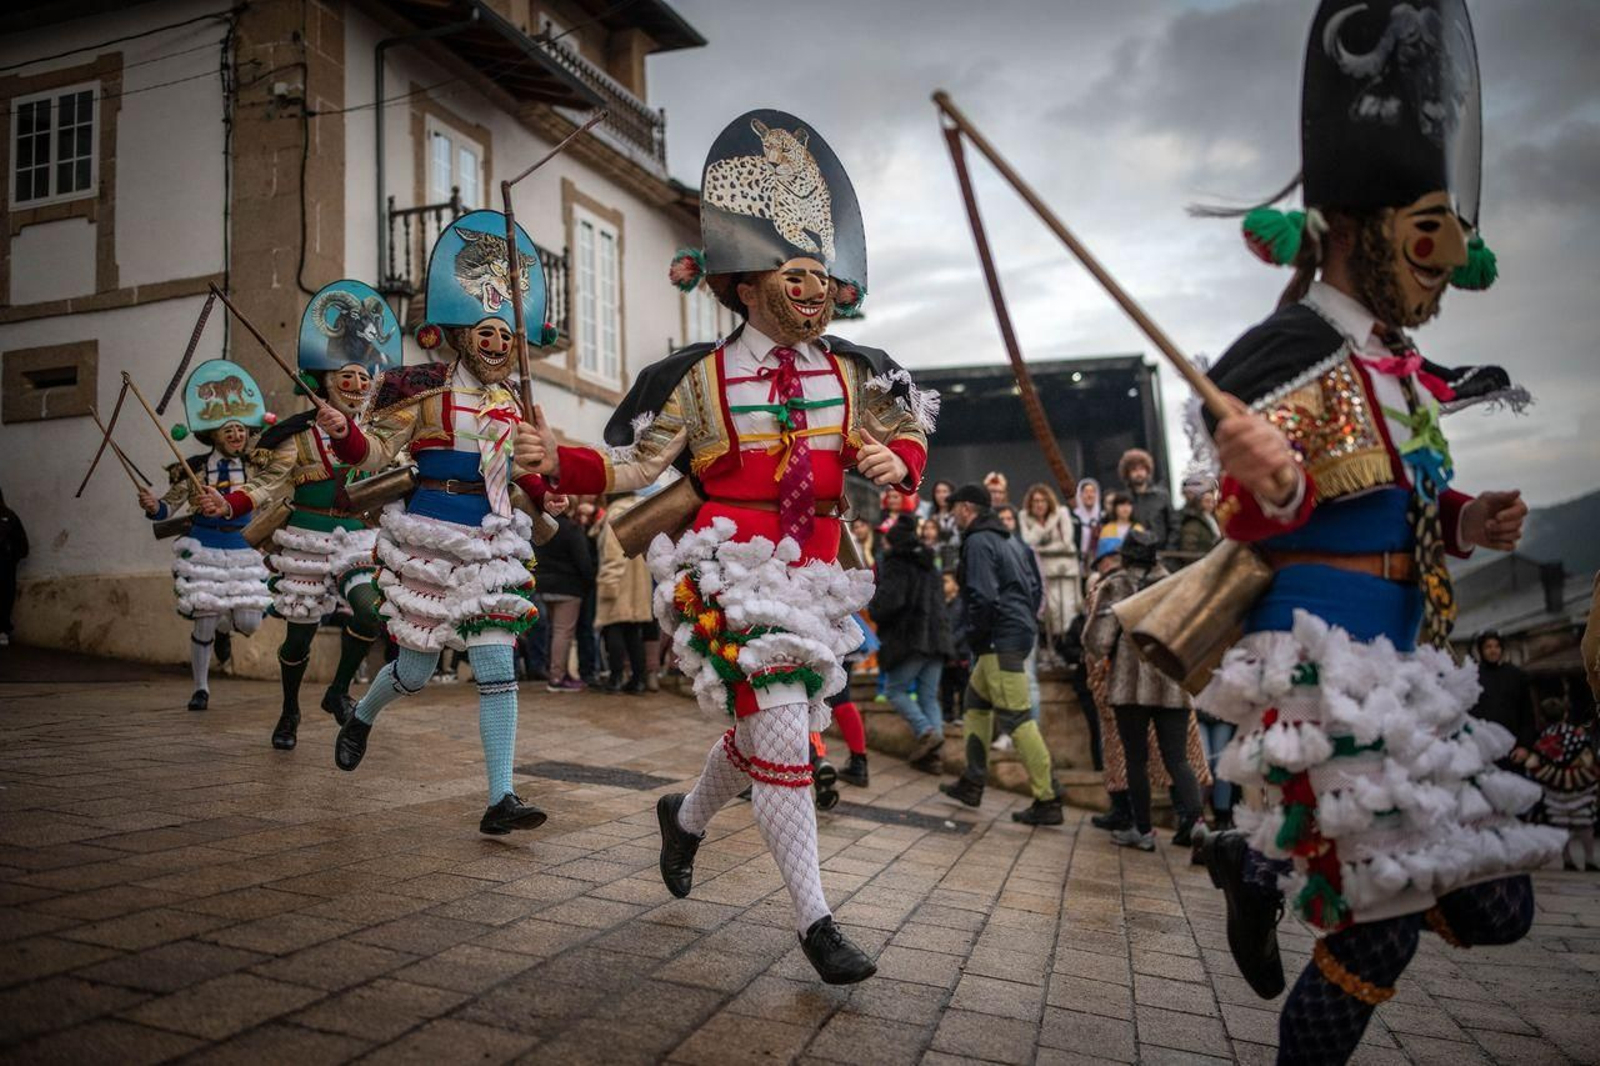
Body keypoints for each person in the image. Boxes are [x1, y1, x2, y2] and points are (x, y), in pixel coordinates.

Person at [1192, 5, 1564, 1059]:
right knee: (1385, 920)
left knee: (1498, 907)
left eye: (1450, 233)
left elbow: (1402, 499)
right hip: (1320, 653)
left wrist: (1463, 518)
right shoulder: (1290, 348)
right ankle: (1282, 880)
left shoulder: (1401, 366)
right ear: (1360, 232)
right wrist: (1259, 479)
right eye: (1425, 231)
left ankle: (1256, 862)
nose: (1447, 258)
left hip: (1411, 661)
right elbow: (1232, 504)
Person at [523, 110, 934, 984]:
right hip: (726, 564)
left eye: (823, 274)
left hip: (823, 570)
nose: (815, 290)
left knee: (770, 725)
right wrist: (556, 455)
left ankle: (686, 816)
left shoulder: (857, 373)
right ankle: (816, 922)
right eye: (796, 273)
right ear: (745, 284)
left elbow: (909, 442)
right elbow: (634, 465)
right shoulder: (698, 381)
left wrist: (889, 458)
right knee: (784, 724)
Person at [324, 208, 555, 837]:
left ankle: (501, 797)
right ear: (459, 334)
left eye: (508, 336)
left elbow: (518, 467)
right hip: (427, 532)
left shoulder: (514, 401)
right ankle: (363, 715)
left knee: (495, 662)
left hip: (490, 538)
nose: (499, 345)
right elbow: (371, 455)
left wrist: (544, 491)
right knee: (416, 671)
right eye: (487, 332)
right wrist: (346, 435)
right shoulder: (417, 387)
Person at [219, 280, 401, 750]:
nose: (358, 386)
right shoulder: (297, 438)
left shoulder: (379, 436)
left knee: (370, 610)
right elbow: (264, 485)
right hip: (305, 538)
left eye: (365, 379)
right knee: (298, 639)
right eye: (347, 378)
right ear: (323, 382)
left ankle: (339, 690)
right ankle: (289, 710)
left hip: (358, 539)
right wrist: (229, 503)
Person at [137, 359, 273, 711]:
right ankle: (201, 689)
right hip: (205, 543)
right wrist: (154, 506)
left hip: (243, 546)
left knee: (249, 622)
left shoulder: (257, 465)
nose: (236, 435)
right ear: (213, 433)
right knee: (205, 615)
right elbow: (169, 507)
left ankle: (226, 631)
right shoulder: (194, 469)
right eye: (228, 430)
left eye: (241, 429)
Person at [938, 484, 1062, 825]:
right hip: (1014, 631)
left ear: (966, 508)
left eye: (954, 510)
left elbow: (983, 596)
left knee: (1017, 718)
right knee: (975, 706)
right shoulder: (1009, 538)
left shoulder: (978, 541)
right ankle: (973, 781)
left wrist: (976, 637)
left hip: (998, 639)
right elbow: (1034, 586)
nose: (951, 516)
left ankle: (1049, 798)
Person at [1084, 531, 1204, 851]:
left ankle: (1144, 832)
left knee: (1136, 759)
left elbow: (1098, 641)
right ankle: (1198, 826)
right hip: (1172, 684)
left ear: (1126, 555)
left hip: (1130, 686)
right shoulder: (1174, 584)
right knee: (1178, 759)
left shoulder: (1115, 585)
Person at [871, 514, 952, 772]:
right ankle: (933, 757)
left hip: (910, 638)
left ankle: (926, 732)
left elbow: (890, 602)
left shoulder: (898, 563)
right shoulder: (931, 564)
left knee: (895, 690)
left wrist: (874, 608)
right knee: (929, 696)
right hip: (937, 638)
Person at [1522, 699, 1597, 872]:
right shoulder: (1577, 735)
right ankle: (1590, 857)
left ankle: (1567, 858)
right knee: (1585, 822)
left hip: (1554, 788)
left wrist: (1551, 774)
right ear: (1565, 714)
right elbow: (1589, 760)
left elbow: (1533, 764)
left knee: (1560, 824)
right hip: (1579, 785)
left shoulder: (1542, 738)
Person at [595, 491, 655, 694]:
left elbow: (614, 551)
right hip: (639, 580)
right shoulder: (639, 511)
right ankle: (638, 680)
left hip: (620, 581)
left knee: (614, 629)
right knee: (632, 632)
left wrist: (608, 582)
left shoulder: (616, 514)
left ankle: (616, 678)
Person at [538, 503, 597, 693]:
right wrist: (589, 582)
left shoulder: (543, 525)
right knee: (563, 632)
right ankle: (557, 677)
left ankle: (557, 671)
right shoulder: (572, 529)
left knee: (554, 631)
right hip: (569, 587)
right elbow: (583, 561)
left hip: (544, 585)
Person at [1019, 482, 1081, 655]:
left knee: (1066, 610)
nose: (1039, 505)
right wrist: (1041, 529)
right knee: (1049, 612)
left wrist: (1041, 549)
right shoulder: (1024, 516)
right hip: (1042, 572)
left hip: (1064, 570)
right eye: (1036, 501)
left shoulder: (1061, 513)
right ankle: (1053, 650)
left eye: (1043, 501)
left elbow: (1067, 543)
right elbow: (1027, 542)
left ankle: (1067, 649)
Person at [1470, 630, 1537, 753]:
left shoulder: (1515, 675)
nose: (1493, 650)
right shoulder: (1473, 676)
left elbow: (1527, 714)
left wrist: (1524, 745)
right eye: (1488, 647)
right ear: (1481, 650)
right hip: (1482, 748)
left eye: (1497, 646)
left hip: (1513, 748)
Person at [1117, 448, 1176, 548]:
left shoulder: (1162, 495)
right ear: (1127, 474)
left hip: (1163, 554)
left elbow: (1174, 526)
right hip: (1135, 556)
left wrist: (1170, 552)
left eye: (1141, 469)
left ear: (1147, 471)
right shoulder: (1124, 500)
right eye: (1134, 470)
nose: (1138, 473)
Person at [940, 570, 970, 726]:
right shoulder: (940, 605)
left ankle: (963, 713)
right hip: (945, 652)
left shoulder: (962, 604)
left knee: (963, 683)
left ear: (956, 585)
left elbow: (965, 627)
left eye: (946, 581)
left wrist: (952, 641)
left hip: (960, 652)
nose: (943, 584)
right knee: (946, 686)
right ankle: (947, 714)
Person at [0, 489, 27, 646]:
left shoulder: (9, 517)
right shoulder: (9, 516)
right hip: (5, 564)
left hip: (4, 565)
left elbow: (22, 545)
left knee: (4, 596)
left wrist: (10, 558)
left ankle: (3, 630)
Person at [1175, 475, 1221, 558]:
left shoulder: (1213, 517)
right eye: (1207, 501)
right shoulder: (1190, 520)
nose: (1211, 505)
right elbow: (1188, 549)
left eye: (1213, 501)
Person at [1096, 492, 1138, 559]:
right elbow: (1101, 557)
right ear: (1115, 507)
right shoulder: (1106, 530)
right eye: (1122, 504)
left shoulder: (1138, 529)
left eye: (1129, 505)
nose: (1125, 508)